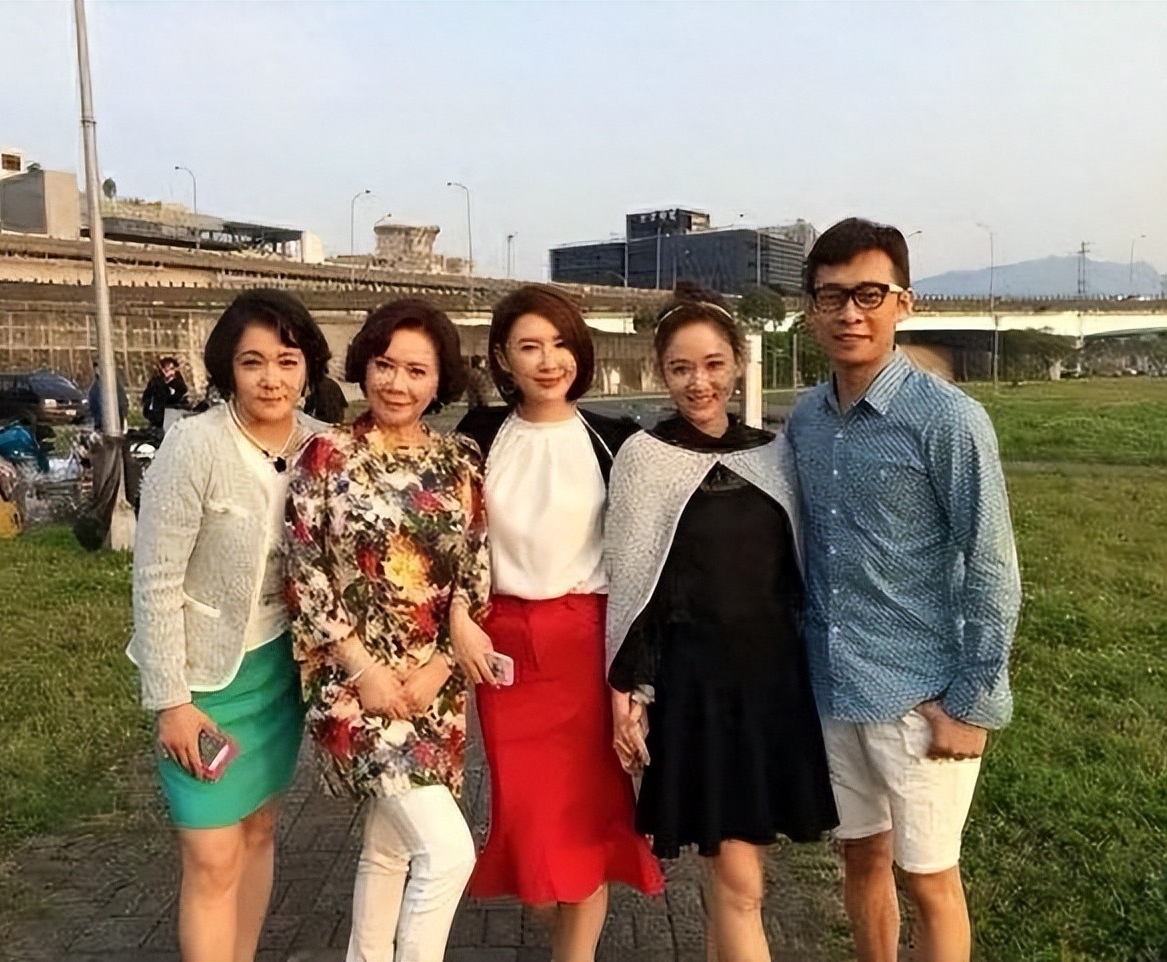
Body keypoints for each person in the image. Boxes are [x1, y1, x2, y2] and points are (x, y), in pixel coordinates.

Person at [785, 218, 1021, 962]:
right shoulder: (805, 419)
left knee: (930, 882)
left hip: (921, 697)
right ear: (812, 309)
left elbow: (992, 564)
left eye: (869, 294)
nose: (850, 314)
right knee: (861, 858)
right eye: (832, 297)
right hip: (832, 689)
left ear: (903, 302)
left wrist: (974, 702)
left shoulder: (948, 419)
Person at [604, 284, 837, 962]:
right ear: (661, 371)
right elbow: (633, 585)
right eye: (680, 368)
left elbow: (802, 571)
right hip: (696, 693)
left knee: (739, 878)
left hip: (773, 687)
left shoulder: (775, 453)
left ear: (738, 361)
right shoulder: (644, 458)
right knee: (741, 886)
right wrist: (631, 690)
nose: (698, 383)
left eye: (712, 364)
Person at [456, 284, 663, 961]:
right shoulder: (478, 436)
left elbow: (643, 560)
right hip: (504, 650)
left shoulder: (616, 439)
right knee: (531, 840)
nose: (549, 361)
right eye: (529, 347)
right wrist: (458, 614)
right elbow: (450, 541)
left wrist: (635, 676)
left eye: (561, 344)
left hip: (588, 647)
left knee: (586, 826)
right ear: (502, 358)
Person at [127, 289, 331, 962]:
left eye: (287, 361)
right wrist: (170, 701)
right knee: (211, 854)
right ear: (227, 370)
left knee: (259, 830)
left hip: (279, 670)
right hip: (206, 680)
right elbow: (155, 577)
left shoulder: (322, 444)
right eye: (252, 362)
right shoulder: (194, 445)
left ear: (307, 368)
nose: (271, 378)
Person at [285, 298, 490, 962]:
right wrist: (363, 668)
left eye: (416, 370)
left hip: (434, 686)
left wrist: (440, 668)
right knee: (448, 853)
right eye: (384, 365)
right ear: (364, 366)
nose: (397, 384)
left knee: (391, 847)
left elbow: (474, 573)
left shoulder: (461, 460)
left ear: (440, 380)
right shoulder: (326, 455)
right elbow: (304, 569)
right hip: (352, 683)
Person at [142, 355, 190, 432]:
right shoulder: (156, 382)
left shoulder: (179, 385)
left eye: (171, 369)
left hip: (172, 418)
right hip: (156, 417)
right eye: (165, 368)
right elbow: (147, 396)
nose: (168, 371)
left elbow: (176, 397)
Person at [88, 359, 129, 433]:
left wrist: (123, 416)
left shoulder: (115, 385)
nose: (97, 371)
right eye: (96, 369)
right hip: (100, 423)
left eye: (99, 368)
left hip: (115, 422)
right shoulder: (94, 388)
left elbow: (122, 402)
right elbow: (92, 406)